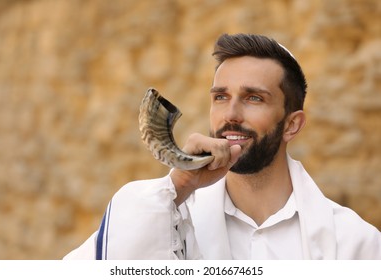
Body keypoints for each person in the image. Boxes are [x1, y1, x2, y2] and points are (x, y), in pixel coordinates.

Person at [64, 33, 381, 260]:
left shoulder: (355, 244)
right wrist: (180, 185)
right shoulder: (164, 220)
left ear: (292, 124)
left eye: (254, 98)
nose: (231, 115)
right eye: (221, 97)